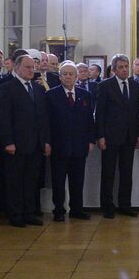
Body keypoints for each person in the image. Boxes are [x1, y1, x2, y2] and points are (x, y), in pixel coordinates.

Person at [0, 53, 50, 227]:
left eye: (32, 67)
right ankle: (16, 214)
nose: (31, 70)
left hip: (35, 143)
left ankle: (28, 212)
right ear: (17, 67)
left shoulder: (38, 89)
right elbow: (3, 117)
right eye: (27, 67)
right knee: (15, 181)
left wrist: (44, 142)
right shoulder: (7, 87)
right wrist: (8, 142)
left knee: (31, 180)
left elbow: (43, 118)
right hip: (16, 143)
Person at [95, 55, 139, 218]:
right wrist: (100, 135)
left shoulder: (135, 86)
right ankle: (107, 206)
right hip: (110, 136)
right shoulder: (105, 86)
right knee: (108, 173)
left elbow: (136, 113)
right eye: (121, 67)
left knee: (126, 172)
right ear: (114, 69)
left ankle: (125, 205)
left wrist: (138, 135)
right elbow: (99, 113)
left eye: (126, 66)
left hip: (129, 136)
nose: (124, 69)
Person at [47, 61, 95, 221]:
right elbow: (47, 122)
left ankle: (77, 209)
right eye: (65, 74)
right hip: (59, 145)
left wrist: (90, 140)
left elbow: (89, 120)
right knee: (59, 180)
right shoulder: (51, 95)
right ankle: (59, 210)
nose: (68, 77)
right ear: (60, 77)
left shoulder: (85, 95)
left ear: (76, 77)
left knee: (77, 179)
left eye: (71, 74)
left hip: (79, 145)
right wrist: (48, 142)